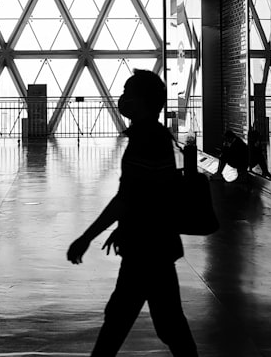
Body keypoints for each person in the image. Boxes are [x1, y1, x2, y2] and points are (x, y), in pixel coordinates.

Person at [67, 69, 197, 357]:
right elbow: (148, 195)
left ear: (142, 100)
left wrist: (86, 237)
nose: (122, 98)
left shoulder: (147, 140)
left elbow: (126, 199)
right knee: (165, 323)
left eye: (127, 92)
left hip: (145, 250)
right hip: (155, 246)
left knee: (122, 321)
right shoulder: (155, 136)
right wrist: (123, 226)